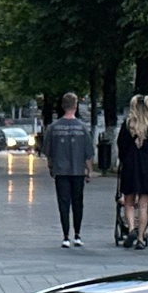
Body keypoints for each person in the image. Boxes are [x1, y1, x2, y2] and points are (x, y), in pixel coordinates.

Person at [41, 93, 94, 248]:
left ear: (63, 106)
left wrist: (51, 167)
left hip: (61, 171)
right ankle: (77, 235)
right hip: (78, 171)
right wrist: (89, 171)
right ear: (76, 106)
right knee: (78, 203)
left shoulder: (53, 128)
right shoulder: (82, 128)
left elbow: (48, 152)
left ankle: (65, 236)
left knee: (63, 203)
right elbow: (88, 154)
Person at [115, 94, 148, 248]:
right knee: (143, 205)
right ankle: (141, 238)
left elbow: (121, 147)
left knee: (128, 203)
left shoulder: (128, 125)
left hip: (130, 167)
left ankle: (131, 229)